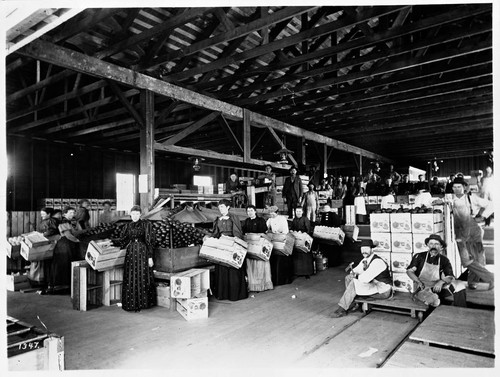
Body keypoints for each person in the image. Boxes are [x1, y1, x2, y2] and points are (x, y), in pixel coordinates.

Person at [447, 177, 494, 289]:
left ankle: (475, 282)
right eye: (454, 187)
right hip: (460, 233)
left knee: (477, 258)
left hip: (474, 232)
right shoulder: (451, 199)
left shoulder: (471, 198)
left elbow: (491, 205)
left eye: (459, 187)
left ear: (464, 187)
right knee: (467, 260)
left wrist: (482, 216)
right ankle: (487, 278)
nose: (456, 189)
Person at [331, 239, 392, 317]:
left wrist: (355, 276)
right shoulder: (365, 260)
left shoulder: (377, 262)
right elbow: (356, 270)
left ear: (371, 249)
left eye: (366, 249)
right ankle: (356, 303)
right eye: (362, 249)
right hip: (374, 286)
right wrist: (352, 274)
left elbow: (365, 279)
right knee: (348, 278)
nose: (364, 251)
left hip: (383, 290)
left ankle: (342, 308)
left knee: (354, 283)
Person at [113, 205, 157, 312]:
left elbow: (150, 242)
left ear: (140, 214)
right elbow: (123, 240)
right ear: (130, 215)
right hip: (131, 252)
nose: (135, 216)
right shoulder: (127, 226)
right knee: (131, 276)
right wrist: (110, 242)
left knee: (142, 275)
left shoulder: (146, 225)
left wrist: (150, 257)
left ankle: (143, 303)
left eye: (137, 214)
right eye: (133, 214)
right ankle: (132, 303)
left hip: (143, 252)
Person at [406, 234, 467, 307]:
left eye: (436, 244)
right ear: (428, 245)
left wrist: (441, 282)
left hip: (437, 288)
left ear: (441, 246)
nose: (433, 246)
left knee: (460, 285)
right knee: (432, 300)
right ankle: (429, 301)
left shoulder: (444, 260)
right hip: (422, 287)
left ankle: (460, 310)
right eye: (431, 244)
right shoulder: (419, 256)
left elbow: (450, 276)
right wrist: (418, 281)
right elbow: (409, 271)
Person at [209, 199, 248, 301]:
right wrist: (210, 239)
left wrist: (233, 240)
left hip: (232, 245)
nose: (220, 209)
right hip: (222, 246)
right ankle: (223, 294)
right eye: (219, 207)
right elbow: (215, 233)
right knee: (222, 269)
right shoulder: (218, 219)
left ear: (227, 207)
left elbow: (238, 233)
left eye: (222, 207)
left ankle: (234, 294)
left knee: (233, 269)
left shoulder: (233, 218)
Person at [45, 206, 83, 295]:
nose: (72, 214)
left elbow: (76, 232)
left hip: (69, 245)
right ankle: (61, 288)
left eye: (73, 213)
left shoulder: (71, 222)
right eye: (70, 213)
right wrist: (78, 241)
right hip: (64, 246)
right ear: (64, 214)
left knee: (67, 266)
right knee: (63, 266)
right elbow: (68, 235)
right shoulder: (64, 222)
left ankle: (67, 287)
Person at [242, 205, 273, 292]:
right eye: (248, 211)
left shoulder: (261, 220)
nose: (250, 212)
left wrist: (255, 235)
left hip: (259, 246)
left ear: (255, 211)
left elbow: (264, 233)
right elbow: (243, 232)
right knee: (251, 266)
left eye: (251, 210)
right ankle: (252, 286)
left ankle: (263, 285)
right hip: (250, 247)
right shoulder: (246, 221)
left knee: (260, 265)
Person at [29, 207, 59, 289]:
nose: (41, 215)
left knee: (45, 263)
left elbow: (52, 231)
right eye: (41, 213)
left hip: (50, 242)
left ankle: (44, 282)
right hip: (43, 242)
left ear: (49, 214)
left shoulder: (52, 221)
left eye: (43, 214)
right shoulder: (44, 221)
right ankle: (38, 280)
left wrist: (42, 235)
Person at [266, 205, 294, 286]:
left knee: (282, 259)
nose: (272, 215)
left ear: (277, 213)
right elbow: (265, 227)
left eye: (273, 214)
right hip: (275, 240)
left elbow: (285, 231)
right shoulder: (270, 219)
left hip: (282, 240)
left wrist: (279, 232)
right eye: (270, 214)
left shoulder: (282, 219)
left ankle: (285, 279)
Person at [290, 207, 314, 279]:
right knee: (297, 256)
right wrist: (292, 230)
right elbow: (292, 227)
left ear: (302, 212)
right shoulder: (294, 219)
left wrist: (302, 233)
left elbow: (308, 229)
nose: (298, 213)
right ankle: (298, 272)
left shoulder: (305, 219)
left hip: (304, 239)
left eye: (299, 211)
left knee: (305, 255)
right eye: (297, 211)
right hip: (297, 240)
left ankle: (307, 273)